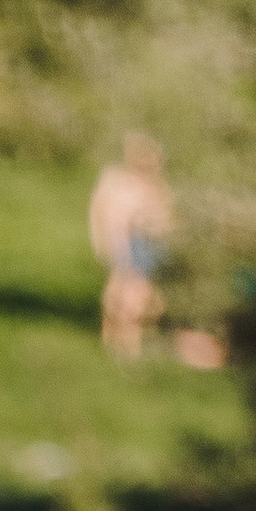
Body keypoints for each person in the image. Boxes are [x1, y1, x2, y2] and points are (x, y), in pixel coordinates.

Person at [90, 136, 172, 359]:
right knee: (125, 290)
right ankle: (118, 339)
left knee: (139, 293)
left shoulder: (154, 184)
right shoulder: (118, 180)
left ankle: (130, 341)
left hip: (144, 242)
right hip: (128, 242)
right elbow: (104, 213)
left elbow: (164, 217)